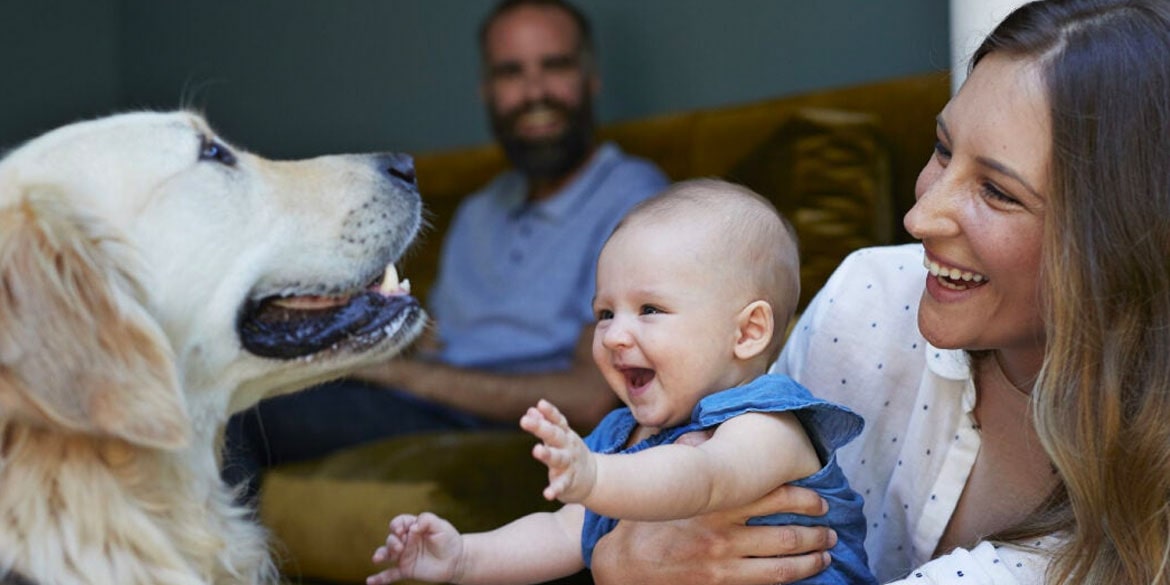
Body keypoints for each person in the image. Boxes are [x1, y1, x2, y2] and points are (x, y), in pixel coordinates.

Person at [586, 1, 1170, 584]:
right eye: (943, 150)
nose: (920, 217)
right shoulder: (868, 300)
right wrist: (617, 557)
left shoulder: (1141, 498)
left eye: (996, 191)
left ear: (1110, 244)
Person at [222, 0, 668, 499]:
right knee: (230, 384)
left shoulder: (634, 199)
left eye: (556, 66)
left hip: (501, 427)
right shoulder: (479, 210)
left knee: (240, 414)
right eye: (511, 72)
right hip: (420, 404)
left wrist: (392, 372)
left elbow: (590, 399)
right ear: (488, 91)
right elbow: (436, 341)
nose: (536, 91)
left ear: (590, 78)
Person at [366, 180, 876, 585]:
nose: (613, 335)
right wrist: (462, 558)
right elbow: (558, 533)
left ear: (747, 332)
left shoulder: (768, 423)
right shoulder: (618, 437)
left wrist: (596, 478)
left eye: (649, 309)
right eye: (605, 312)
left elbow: (702, 477)